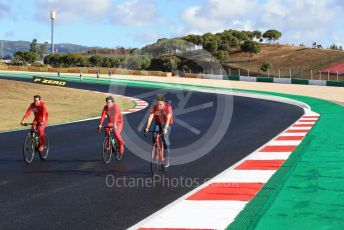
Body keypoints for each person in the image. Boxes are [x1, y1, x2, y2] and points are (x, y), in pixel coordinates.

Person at [145, 94, 173, 167]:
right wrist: (147, 128)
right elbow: (150, 117)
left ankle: (167, 160)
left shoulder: (168, 107)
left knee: (165, 139)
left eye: (160, 104)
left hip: (167, 124)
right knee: (154, 136)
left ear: (164, 103)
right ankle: (156, 149)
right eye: (157, 104)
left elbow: (168, 118)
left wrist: (166, 128)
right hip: (158, 123)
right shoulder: (154, 107)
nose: (158, 106)